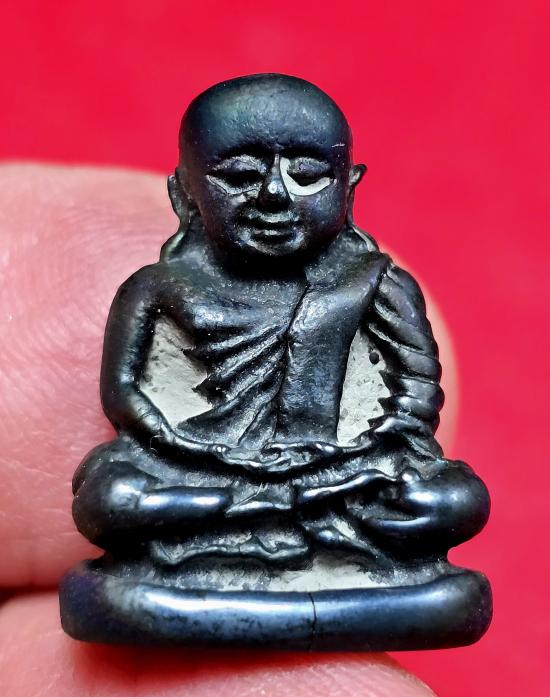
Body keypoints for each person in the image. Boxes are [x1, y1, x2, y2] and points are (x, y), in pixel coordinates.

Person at [70, 76, 489, 581]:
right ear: (185, 192)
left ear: (349, 188)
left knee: (454, 498)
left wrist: (363, 449)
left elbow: (417, 394)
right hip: (200, 463)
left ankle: (249, 518)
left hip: (340, 468)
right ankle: (277, 517)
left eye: (308, 175)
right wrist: (192, 449)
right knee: (109, 498)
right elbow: (123, 393)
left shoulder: (373, 282)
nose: (273, 194)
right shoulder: (157, 287)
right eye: (240, 176)